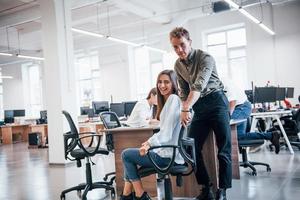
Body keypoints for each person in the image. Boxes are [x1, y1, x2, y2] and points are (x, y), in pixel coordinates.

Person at [170, 27, 231, 200]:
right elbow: (183, 90)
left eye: (182, 45)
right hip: (198, 106)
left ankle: (223, 190)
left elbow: (198, 86)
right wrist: (185, 107)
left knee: (223, 149)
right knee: (190, 148)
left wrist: (185, 108)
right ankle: (206, 188)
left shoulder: (205, 58)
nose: (179, 50)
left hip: (217, 101)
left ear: (189, 42)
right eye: (175, 47)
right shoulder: (177, 65)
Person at [120, 70, 184, 200]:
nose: (162, 85)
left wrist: (149, 143)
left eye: (166, 82)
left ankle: (139, 195)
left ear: (174, 84)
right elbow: (164, 130)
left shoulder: (173, 99)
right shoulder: (169, 101)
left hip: (167, 157)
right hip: (168, 153)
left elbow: (166, 133)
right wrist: (149, 143)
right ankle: (127, 195)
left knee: (126, 155)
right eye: (160, 82)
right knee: (130, 158)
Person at [222, 78, 281, 154]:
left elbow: (232, 102)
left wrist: (227, 116)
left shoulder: (224, 82)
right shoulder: (222, 82)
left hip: (241, 107)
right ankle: (271, 135)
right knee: (239, 137)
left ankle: (271, 134)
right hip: (241, 107)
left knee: (223, 123)